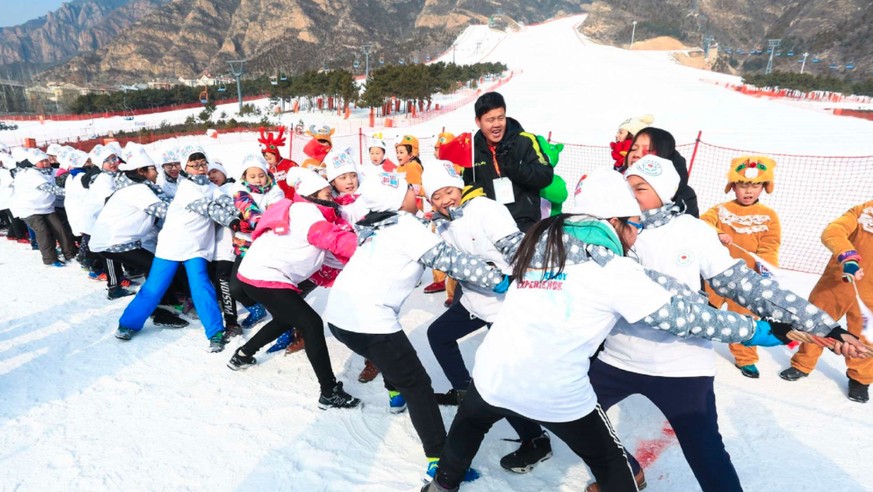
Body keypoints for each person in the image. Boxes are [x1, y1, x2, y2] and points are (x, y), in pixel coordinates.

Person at [423, 168, 809, 492]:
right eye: (635, 225)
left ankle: (442, 485)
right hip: (556, 394)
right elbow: (687, 318)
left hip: (491, 377)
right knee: (612, 466)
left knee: (466, 429)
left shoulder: (538, 243)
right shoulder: (613, 269)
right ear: (612, 222)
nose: (637, 235)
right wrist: (765, 332)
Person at [585, 155, 860, 492]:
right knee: (573, 417)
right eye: (627, 186)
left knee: (706, 452)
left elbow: (748, 286)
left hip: (682, 366)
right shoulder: (610, 230)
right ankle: (625, 471)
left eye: (640, 187)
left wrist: (823, 326)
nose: (631, 193)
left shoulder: (692, 229)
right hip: (619, 357)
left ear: (665, 193)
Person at [323, 170, 510, 479]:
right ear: (398, 199)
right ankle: (440, 459)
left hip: (341, 319)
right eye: (409, 189)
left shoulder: (379, 224)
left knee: (392, 359)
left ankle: (394, 392)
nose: (416, 191)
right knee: (419, 385)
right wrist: (499, 280)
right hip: (370, 320)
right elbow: (449, 260)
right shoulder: (405, 226)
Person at [422, 160, 554, 473]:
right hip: (474, 301)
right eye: (436, 196)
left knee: (498, 378)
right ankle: (464, 391)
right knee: (438, 335)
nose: (444, 199)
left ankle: (536, 440)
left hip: (506, 304)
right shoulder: (443, 222)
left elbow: (519, 251)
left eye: (448, 191)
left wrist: (503, 276)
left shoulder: (484, 209)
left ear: (460, 187)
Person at [228, 167, 361, 410]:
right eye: (327, 194)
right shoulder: (307, 213)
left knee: (284, 318)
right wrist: (367, 248)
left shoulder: (310, 210)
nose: (332, 198)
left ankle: (243, 354)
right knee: (310, 323)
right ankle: (329, 391)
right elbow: (330, 239)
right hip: (265, 275)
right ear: (312, 195)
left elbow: (330, 253)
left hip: (258, 273)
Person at [115, 145, 239, 352]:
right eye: (194, 164)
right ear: (186, 167)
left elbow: (225, 201)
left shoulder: (210, 187)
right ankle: (128, 324)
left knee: (201, 287)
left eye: (203, 163)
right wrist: (233, 221)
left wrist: (243, 213)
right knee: (155, 287)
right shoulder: (186, 188)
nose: (200, 168)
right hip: (173, 244)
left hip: (197, 247)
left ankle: (215, 333)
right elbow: (207, 208)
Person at [779, 201, 873, 403]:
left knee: (866, 337)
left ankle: (860, 378)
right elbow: (833, 231)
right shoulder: (861, 212)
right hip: (836, 284)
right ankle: (802, 364)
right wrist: (848, 256)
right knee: (815, 323)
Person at [701, 156, 781, 378]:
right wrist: (717, 232)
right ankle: (690, 349)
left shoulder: (769, 216)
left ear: (763, 187)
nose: (749, 191)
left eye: (755, 185)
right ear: (733, 186)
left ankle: (745, 358)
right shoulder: (720, 210)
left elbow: (770, 245)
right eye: (743, 185)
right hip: (715, 274)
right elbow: (702, 223)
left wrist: (765, 269)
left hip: (746, 280)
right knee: (704, 311)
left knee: (745, 320)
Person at [465, 91, 553, 233]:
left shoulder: (525, 140)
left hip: (525, 222)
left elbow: (546, 175)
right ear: (478, 121)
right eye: (490, 120)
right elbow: (465, 186)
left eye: (501, 118)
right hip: (491, 225)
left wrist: (517, 168)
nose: (497, 124)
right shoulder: (472, 150)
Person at [229, 154, 286, 331]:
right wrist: (251, 222)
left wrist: (257, 222)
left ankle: (283, 320)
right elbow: (247, 208)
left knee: (271, 288)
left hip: (267, 246)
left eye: (261, 175)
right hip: (245, 245)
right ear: (244, 176)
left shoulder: (275, 191)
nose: (258, 180)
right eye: (252, 176)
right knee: (236, 288)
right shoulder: (239, 189)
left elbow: (273, 216)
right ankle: (257, 309)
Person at [10, 148, 77, 266]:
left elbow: (60, 171)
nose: (45, 163)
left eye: (46, 160)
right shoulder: (30, 173)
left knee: (61, 229)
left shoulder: (48, 170)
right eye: (41, 161)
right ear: (33, 162)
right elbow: (49, 188)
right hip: (30, 209)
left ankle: (70, 254)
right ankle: (50, 259)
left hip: (47, 207)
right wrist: (74, 192)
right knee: (43, 233)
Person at [622, 127, 699, 217]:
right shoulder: (615, 184)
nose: (637, 154)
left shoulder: (684, 197)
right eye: (634, 149)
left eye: (649, 150)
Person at [206, 160, 242, 337]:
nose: (211, 176)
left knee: (224, 282)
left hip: (227, 246)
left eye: (215, 171)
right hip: (214, 247)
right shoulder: (210, 190)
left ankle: (232, 321)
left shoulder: (233, 189)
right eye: (208, 174)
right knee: (219, 282)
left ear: (223, 172)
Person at [423, 132, 458, 304]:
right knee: (440, 248)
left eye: (443, 148)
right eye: (437, 148)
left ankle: (454, 292)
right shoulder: (433, 167)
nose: (439, 152)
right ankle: (441, 283)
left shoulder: (457, 166)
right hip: (438, 216)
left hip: (455, 216)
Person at [258, 125, 298, 199]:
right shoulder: (270, 168)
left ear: (276, 155)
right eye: (266, 159)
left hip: (292, 198)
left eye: (270, 158)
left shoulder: (289, 164)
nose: (268, 161)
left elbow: (298, 182)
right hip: (279, 199)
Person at [395, 135, 425, 211]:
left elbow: (415, 189)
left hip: (413, 205)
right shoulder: (400, 167)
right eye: (397, 152)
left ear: (411, 154)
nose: (398, 155)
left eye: (401, 152)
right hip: (401, 202)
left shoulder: (413, 166)